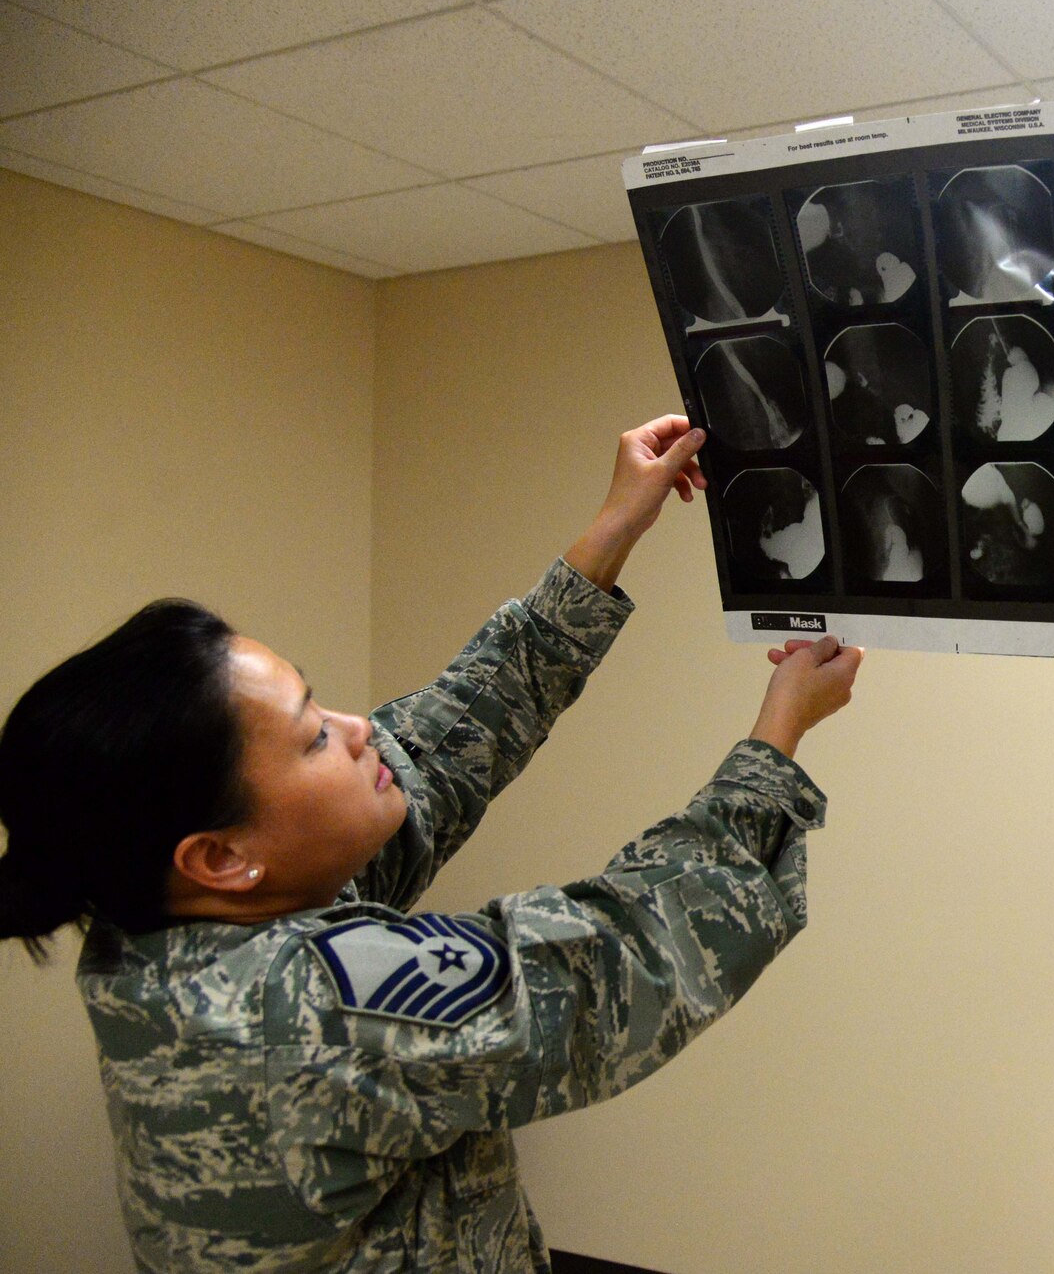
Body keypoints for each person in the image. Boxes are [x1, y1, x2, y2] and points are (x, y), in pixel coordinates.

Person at [0, 414, 864, 1273]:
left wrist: (614, 529)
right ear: (219, 855)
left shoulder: (150, 914)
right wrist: (778, 734)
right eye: (310, 738)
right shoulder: (307, 1012)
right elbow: (622, 962)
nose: (355, 728)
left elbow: (439, 746)